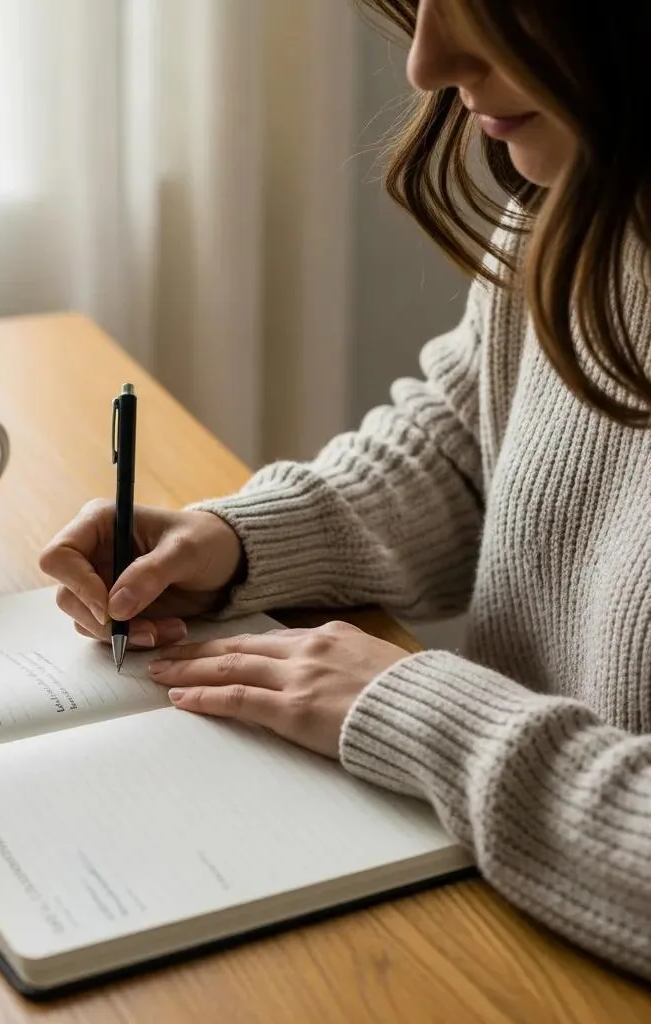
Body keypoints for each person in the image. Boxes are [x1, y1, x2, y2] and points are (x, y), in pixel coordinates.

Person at [39, 0, 651, 981]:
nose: (425, 62)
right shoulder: (582, 186)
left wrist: (424, 715)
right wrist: (242, 540)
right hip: (507, 916)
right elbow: (470, 443)